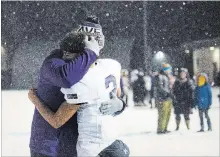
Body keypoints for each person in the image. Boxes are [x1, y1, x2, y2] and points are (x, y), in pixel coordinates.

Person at [29, 16, 127, 157]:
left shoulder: (85, 78)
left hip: (72, 144)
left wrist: (34, 99)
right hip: (51, 144)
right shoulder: (55, 63)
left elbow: (57, 120)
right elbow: (66, 77)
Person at [152, 63, 175, 134]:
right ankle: (160, 129)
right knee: (162, 114)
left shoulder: (167, 76)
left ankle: (165, 128)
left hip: (168, 98)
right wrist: (168, 93)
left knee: (168, 114)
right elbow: (160, 87)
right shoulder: (160, 76)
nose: (169, 71)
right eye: (168, 69)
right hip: (162, 99)